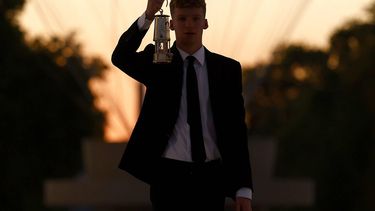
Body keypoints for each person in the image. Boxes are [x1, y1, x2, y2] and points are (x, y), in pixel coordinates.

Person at [112, 0, 253, 210]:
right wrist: (149, 15)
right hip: (168, 176)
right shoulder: (158, 62)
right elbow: (121, 57)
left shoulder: (227, 70)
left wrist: (243, 188)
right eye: (182, 19)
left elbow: (236, 131)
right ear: (171, 24)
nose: (189, 25)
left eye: (195, 19)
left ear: (205, 23)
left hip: (211, 177)